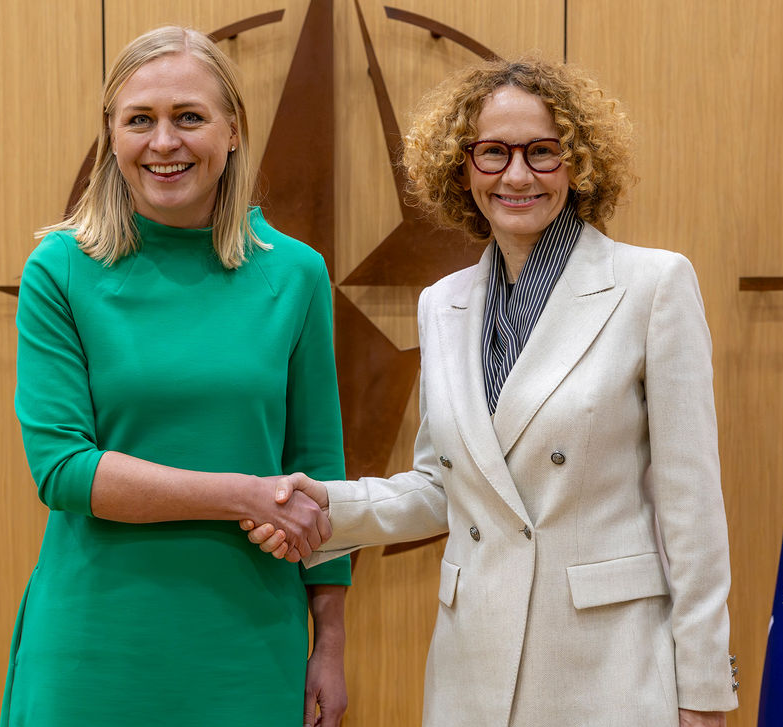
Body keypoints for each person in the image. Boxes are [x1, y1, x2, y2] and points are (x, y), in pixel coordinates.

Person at [244, 57, 737, 727]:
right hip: (471, 667)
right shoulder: (441, 305)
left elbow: (693, 510)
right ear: (461, 166)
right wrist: (318, 504)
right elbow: (443, 487)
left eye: (542, 152)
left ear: (579, 162)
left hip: (610, 668)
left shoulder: (652, 286)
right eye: (493, 153)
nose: (516, 175)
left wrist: (705, 689)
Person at [1, 26, 351, 727]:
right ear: (113, 135)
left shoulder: (296, 272)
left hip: (248, 639)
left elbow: (316, 469)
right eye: (140, 120)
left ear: (231, 132)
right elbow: (64, 470)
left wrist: (332, 641)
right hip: (95, 641)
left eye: (189, 117)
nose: (165, 142)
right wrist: (245, 495)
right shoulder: (60, 271)